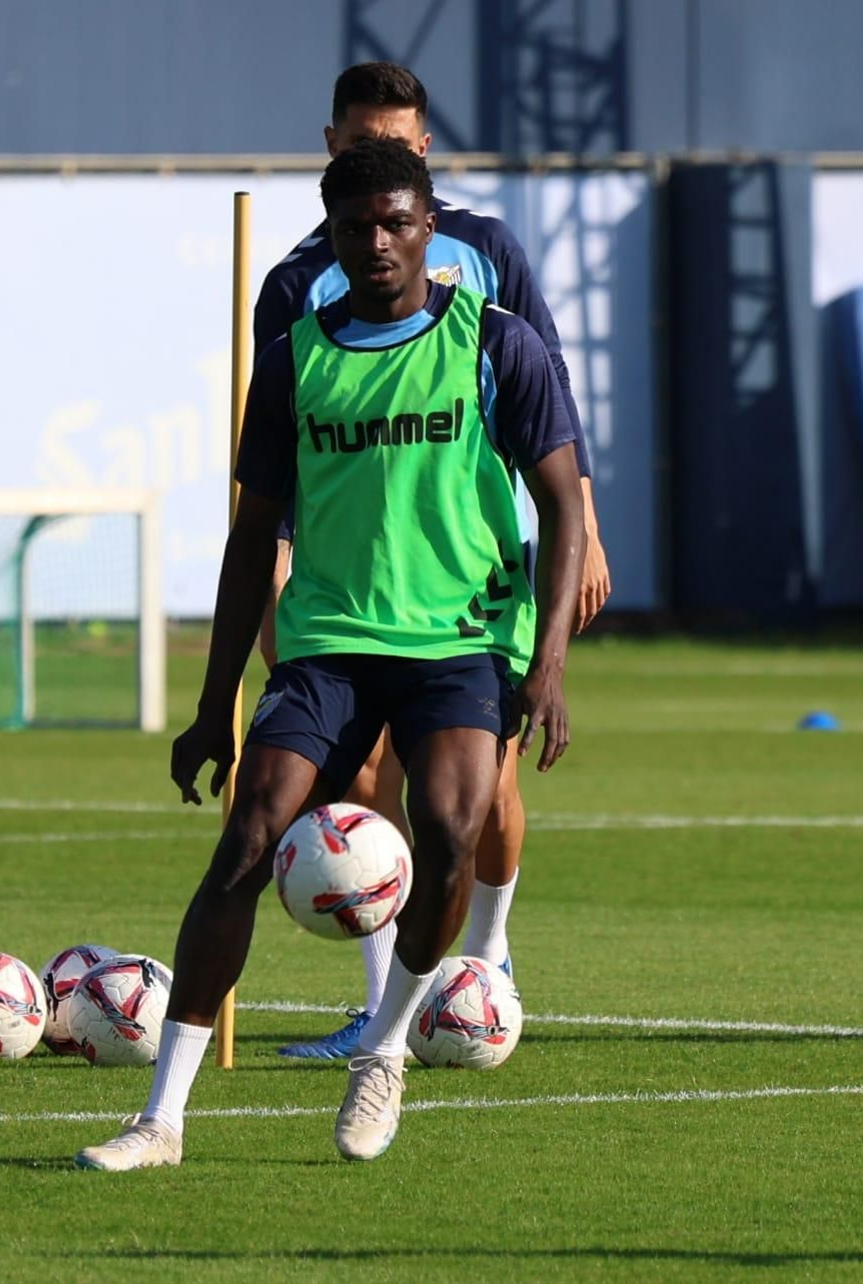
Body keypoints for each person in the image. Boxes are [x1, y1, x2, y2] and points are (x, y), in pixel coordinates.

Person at [75, 138, 584, 1170]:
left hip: (458, 641)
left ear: (427, 225)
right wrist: (212, 702)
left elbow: (563, 503)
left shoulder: (496, 344)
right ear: (334, 236)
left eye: (397, 222)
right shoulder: (296, 357)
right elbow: (250, 533)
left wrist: (550, 663)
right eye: (358, 227)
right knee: (248, 838)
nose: (379, 243)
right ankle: (160, 1117)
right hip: (326, 643)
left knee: (446, 829)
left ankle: (384, 1051)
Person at [256, 63, 610, 1060]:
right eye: (366, 142)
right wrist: (274, 591)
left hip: (470, 587)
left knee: (480, 789)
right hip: (350, 589)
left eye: (405, 147)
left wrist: (584, 524)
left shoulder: (486, 249)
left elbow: (547, 395)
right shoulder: (294, 282)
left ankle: (486, 962)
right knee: (363, 782)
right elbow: (279, 459)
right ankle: (383, 1013)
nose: (387, 160)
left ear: (425, 150)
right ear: (331, 145)